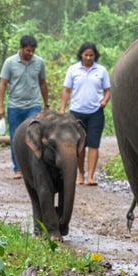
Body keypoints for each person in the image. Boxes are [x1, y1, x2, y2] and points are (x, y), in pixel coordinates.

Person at [60, 41, 111, 186]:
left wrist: (104, 101)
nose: (89, 58)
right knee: (79, 146)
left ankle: (91, 176)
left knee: (94, 144)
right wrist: (62, 109)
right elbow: (66, 91)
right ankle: (80, 174)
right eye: (86, 55)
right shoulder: (73, 70)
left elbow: (108, 90)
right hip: (77, 112)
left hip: (96, 112)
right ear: (81, 55)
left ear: (95, 56)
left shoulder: (101, 70)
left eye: (91, 55)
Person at [0, 35, 49, 178]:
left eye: (33, 51)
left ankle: (33, 167)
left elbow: (43, 83)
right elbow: (3, 84)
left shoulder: (39, 62)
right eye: (28, 51)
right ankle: (18, 168)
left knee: (34, 136)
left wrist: (46, 104)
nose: (30, 54)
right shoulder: (10, 62)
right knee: (16, 137)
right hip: (15, 106)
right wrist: (0, 106)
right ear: (21, 48)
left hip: (33, 105)